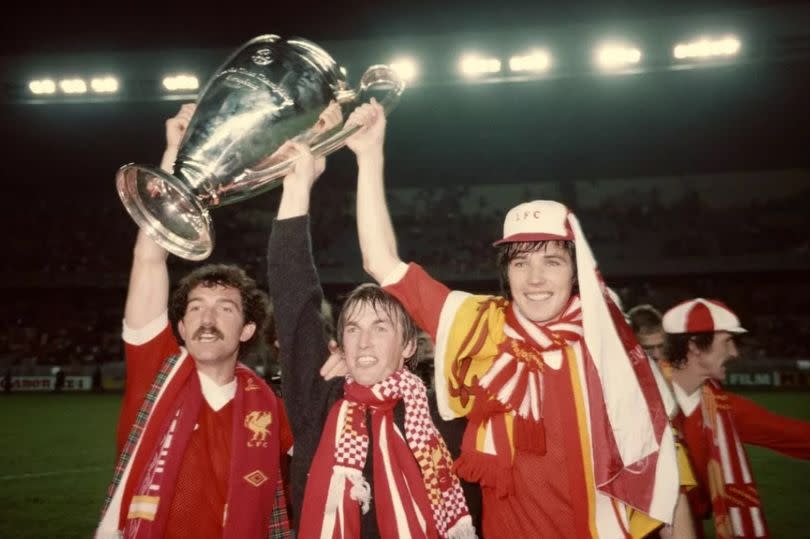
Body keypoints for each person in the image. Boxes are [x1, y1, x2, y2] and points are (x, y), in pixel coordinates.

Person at [340, 99, 679, 538]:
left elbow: (653, 466)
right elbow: (380, 262)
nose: (535, 279)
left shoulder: (608, 341)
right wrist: (370, 156)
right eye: (520, 263)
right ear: (506, 273)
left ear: (576, 271)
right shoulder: (479, 324)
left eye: (552, 261)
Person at [96, 104, 292, 539]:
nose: (206, 317)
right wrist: (175, 157)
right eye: (195, 307)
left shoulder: (267, 405)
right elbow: (149, 259)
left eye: (225, 307)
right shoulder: (157, 371)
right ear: (180, 328)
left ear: (247, 329)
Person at [267, 137, 476, 538]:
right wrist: (296, 187)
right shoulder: (319, 399)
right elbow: (293, 298)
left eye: (381, 328)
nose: (364, 342)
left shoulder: (445, 418)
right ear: (340, 342)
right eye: (353, 328)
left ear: (410, 346)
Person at [663, 298, 810, 539]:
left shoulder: (726, 409)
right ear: (695, 347)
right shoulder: (640, 398)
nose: (735, 352)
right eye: (727, 341)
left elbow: (794, 435)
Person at [628, 304, 698, 539]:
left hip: (673, 466)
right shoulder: (619, 379)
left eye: (661, 346)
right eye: (648, 348)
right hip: (637, 474)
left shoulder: (671, 370)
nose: (657, 354)